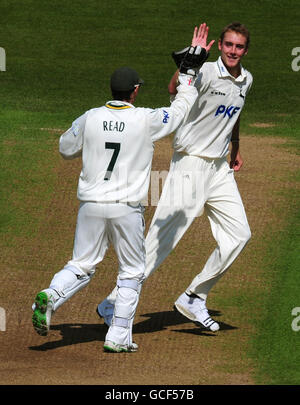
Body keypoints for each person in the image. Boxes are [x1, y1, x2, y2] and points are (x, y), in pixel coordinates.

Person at [31, 27, 212, 352]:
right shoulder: (145, 119)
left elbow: (64, 148)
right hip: (127, 207)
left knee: (81, 263)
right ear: (136, 91)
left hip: (90, 204)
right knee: (131, 270)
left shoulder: (90, 117)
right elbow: (180, 112)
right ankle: (118, 337)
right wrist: (188, 73)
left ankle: (51, 296)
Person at [97, 22, 253, 332]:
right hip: (191, 165)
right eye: (229, 45)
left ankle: (194, 296)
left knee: (239, 235)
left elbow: (235, 113)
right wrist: (189, 63)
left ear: (245, 50)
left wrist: (235, 147)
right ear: (220, 46)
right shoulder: (207, 72)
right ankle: (112, 304)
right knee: (161, 241)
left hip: (220, 169)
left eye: (239, 46)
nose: (233, 51)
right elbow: (173, 90)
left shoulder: (247, 80)